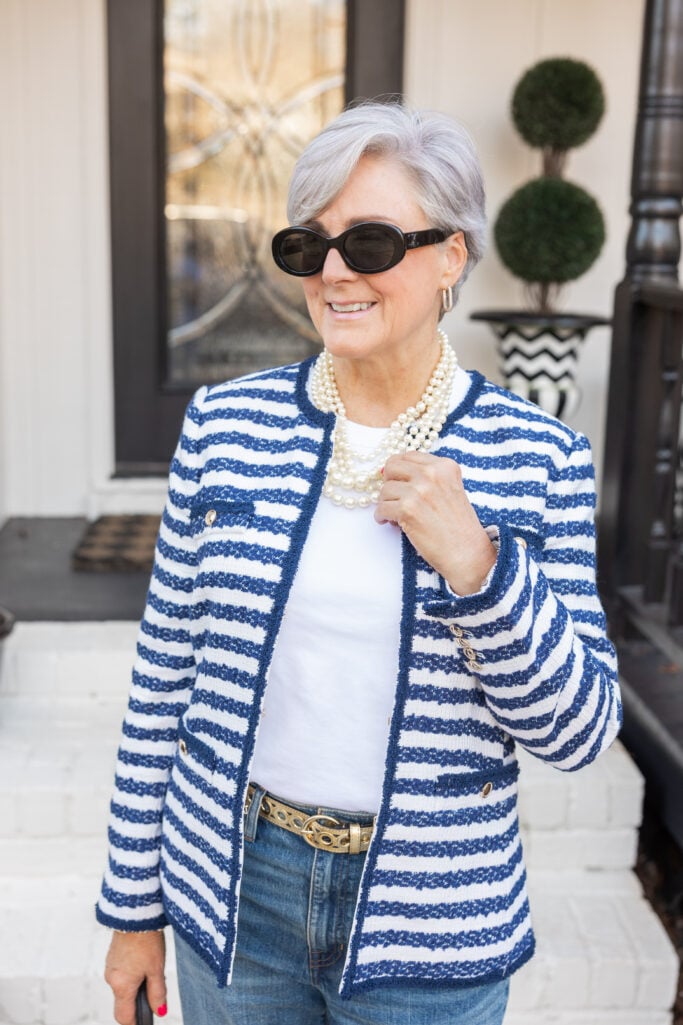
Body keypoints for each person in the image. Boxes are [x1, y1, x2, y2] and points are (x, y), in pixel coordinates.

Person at [98, 101, 621, 1025]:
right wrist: (133, 909)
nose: (334, 271)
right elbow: (161, 685)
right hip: (236, 895)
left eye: (370, 241)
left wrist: (480, 568)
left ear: (451, 255)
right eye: (309, 245)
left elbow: (578, 732)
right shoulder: (225, 427)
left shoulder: (536, 457)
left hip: (433, 917)